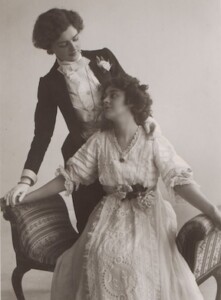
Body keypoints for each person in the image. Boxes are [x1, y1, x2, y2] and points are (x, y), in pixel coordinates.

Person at [12, 76, 221, 299]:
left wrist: (212, 211)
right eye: (104, 97)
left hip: (149, 215)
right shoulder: (99, 141)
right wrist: (25, 197)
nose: (106, 101)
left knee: (136, 262)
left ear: (131, 101)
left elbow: (180, 181)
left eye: (113, 96)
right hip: (109, 214)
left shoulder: (152, 140)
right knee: (99, 255)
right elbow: (69, 178)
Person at [3, 8, 138, 233]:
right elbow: (42, 134)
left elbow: (133, 93)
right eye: (63, 44)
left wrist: (147, 127)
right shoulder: (49, 83)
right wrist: (26, 180)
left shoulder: (103, 56)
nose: (73, 48)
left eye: (75, 39)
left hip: (121, 150)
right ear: (50, 48)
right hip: (82, 155)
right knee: (90, 226)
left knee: (129, 220)